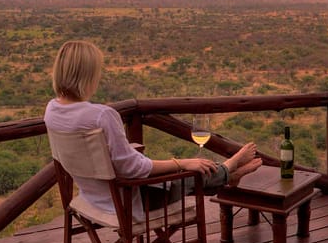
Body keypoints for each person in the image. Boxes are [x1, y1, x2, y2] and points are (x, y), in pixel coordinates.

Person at [44, 40, 262, 220]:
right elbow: (133, 169)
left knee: (184, 171)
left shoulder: (52, 110)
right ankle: (228, 167)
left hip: (90, 198)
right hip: (127, 202)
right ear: (87, 75)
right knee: (190, 172)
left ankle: (228, 175)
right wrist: (181, 162)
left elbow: (110, 160)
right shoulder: (101, 115)